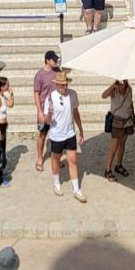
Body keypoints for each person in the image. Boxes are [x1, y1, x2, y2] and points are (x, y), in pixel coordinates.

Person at [43, 72, 86, 202]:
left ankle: (76, 189)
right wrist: (49, 114)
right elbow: (47, 121)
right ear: (56, 84)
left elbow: (75, 112)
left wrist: (80, 129)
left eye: (66, 84)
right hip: (56, 135)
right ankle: (56, 183)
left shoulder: (73, 94)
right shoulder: (51, 97)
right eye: (62, 85)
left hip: (70, 133)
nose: (64, 87)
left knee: (72, 160)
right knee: (56, 159)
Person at [101, 79, 135, 181]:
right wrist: (113, 86)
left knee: (122, 144)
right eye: (120, 81)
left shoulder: (129, 89)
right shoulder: (113, 90)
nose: (122, 83)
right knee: (114, 146)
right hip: (116, 122)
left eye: (124, 81)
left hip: (127, 121)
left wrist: (133, 114)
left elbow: (130, 102)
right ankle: (107, 170)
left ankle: (119, 165)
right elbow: (103, 95)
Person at [33, 51, 61, 172]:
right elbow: (36, 94)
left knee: (58, 135)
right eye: (54, 60)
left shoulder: (58, 71)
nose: (56, 61)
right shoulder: (40, 75)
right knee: (42, 135)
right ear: (47, 60)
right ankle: (40, 158)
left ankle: (56, 158)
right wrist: (39, 111)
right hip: (44, 110)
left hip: (57, 109)